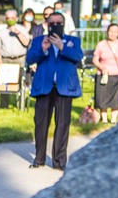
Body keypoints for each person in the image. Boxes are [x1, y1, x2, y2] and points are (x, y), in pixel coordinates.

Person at [26, 11, 83, 171]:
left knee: (63, 124)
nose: (55, 26)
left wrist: (62, 47)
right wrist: (43, 50)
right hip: (44, 86)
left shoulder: (72, 41)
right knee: (41, 123)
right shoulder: (39, 41)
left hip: (64, 87)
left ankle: (59, 161)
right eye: (52, 23)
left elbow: (78, 57)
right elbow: (30, 59)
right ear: (47, 25)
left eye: (59, 23)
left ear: (63, 25)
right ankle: (39, 158)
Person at [92, 23, 118, 124]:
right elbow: (95, 59)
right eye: (110, 31)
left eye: (115, 32)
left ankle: (114, 118)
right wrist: (101, 67)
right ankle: (104, 118)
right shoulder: (101, 44)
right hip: (104, 75)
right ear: (107, 32)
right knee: (102, 97)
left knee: (117, 98)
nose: (112, 34)